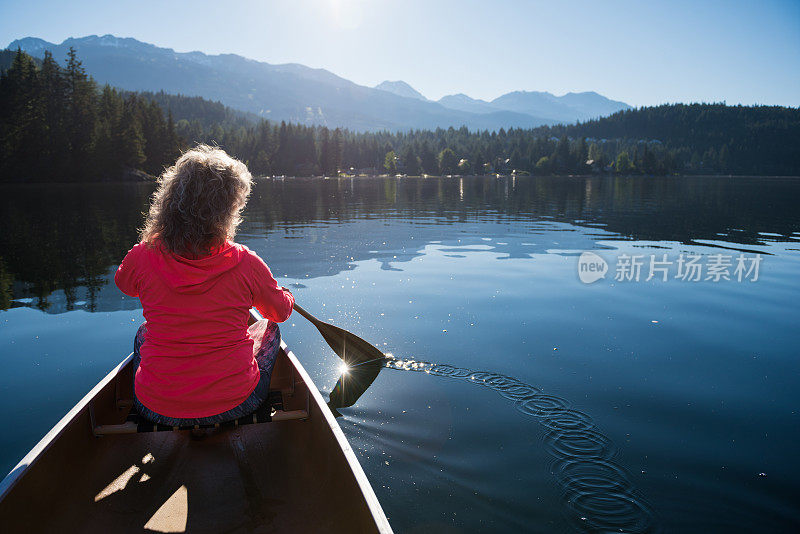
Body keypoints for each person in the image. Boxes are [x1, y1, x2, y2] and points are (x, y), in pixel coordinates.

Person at [115, 145, 294, 426]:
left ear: (171, 200)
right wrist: (286, 295)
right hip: (236, 404)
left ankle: (159, 397)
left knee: (142, 333)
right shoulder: (247, 263)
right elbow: (279, 313)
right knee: (270, 328)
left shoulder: (143, 255)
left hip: (155, 408)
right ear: (227, 209)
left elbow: (125, 285)